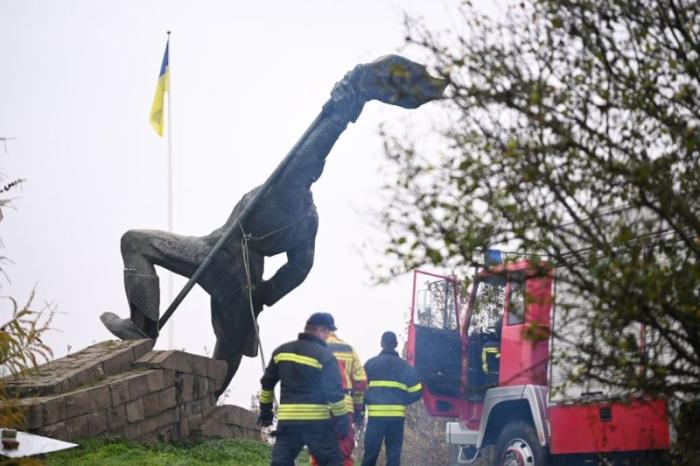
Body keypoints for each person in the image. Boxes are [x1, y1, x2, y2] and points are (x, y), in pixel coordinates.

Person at [258, 312, 350, 466]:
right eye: (327, 332)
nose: (328, 337)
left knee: (281, 462)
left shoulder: (281, 351)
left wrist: (266, 412)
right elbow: (333, 393)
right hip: (317, 423)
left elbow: (267, 385)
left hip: (288, 422)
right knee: (332, 462)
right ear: (320, 330)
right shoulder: (324, 355)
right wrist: (342, 420)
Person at [310, 318, 368, 466]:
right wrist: (358, 412)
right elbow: (360, 383)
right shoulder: (349, 349)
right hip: (344, 408)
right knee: (343, 454)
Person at [361, 331, 422, 466]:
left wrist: (359, 416)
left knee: (370, 455)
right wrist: (402, 399)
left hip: (375, 418)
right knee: (393, 456)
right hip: (396, 418)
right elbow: (417, 391)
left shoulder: (370, 364)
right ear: (396, 344)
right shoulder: (404, 366)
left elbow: (360, 391)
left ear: (381, 343)